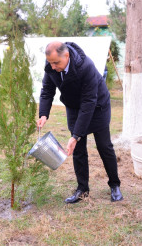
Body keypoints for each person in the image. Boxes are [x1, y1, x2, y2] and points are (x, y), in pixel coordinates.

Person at [37, 41, 123, 204]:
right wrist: (43, 114)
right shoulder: (51, 65)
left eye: (56, 63)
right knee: (78, 150)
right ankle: (82, 189)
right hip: (74, 107)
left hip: (97, 106)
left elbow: (89, 102)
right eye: (50, 63)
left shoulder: (86, 66)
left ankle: (114, 185)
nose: (53, 67)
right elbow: (47, 90)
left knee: (104, 147)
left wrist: (76, 135)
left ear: (66, 55)